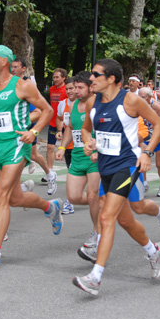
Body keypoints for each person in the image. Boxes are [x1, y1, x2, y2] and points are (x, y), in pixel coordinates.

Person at [72, 59, 160, 296]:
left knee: (106, 217)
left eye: (96, 74)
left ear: (112, 78)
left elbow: (159, 125)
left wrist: (146, 153)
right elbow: (85, 129)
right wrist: (88, 143)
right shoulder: (93, 102)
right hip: (104, 166)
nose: (91, 78)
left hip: (127, 165)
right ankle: (153, 250)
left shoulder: (130, 100)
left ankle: (95, 277)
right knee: (125, 221)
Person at [0, 45, 63, 271]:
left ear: (4, 61)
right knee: (14, 199)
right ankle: (50, 207)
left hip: (17, 145)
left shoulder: (22, 86)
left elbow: (47, 110)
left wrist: (33, 131)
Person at [55, 71, 102, 259]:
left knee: (92, 197)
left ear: (90, 87)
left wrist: (97, 148)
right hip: (77, 156)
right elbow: (70, 128)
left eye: (79, 87)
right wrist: (61, 147)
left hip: (94, 159)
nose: (75, 91)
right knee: (73, 197)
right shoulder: (73, 105)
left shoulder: (97, 105)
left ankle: (97, 233)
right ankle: (103, 203)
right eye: (74, 88)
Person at [11, 57, 57, 194]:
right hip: (15, 129)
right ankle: (19, 188)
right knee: (18, 156)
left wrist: (22, 123)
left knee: (34, 155)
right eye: (11, 67)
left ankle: (49, 174)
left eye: (16, 67)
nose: (12, 70)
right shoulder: (9, 84)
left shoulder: (27, 85)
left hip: (29, 126)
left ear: (24, 69)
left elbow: (39, 111)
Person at [138, 86, 160, 196]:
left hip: (156, 136)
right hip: (145, 136)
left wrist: (157, 123)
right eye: (139, 96)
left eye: (142, 97)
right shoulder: (138, 105)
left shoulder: (154, 105)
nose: (140, 99)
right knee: (143, 160)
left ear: (149, 97)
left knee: (159, 164)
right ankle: (144, 183)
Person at [55, 77, 76, 213]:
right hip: (68, 145)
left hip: (83, 146)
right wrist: (58, 130)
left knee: (75, 174)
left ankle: (70, 201)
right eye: (67, 89)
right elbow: (59, 118)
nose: (68, 91)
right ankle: (72, 199)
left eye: (71, 88)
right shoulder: (63, 104)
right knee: (71, 172)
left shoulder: (86, 104)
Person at [46, 68, 67, 173]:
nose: (55, 79)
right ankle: (49, 172)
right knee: (50, 146)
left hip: (66, 123)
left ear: (64, 78)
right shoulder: (51, 89)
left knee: (68, 148)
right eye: (54, 77)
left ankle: (72, 170)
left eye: (57, 77)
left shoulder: (67, 90)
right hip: (53, 122)